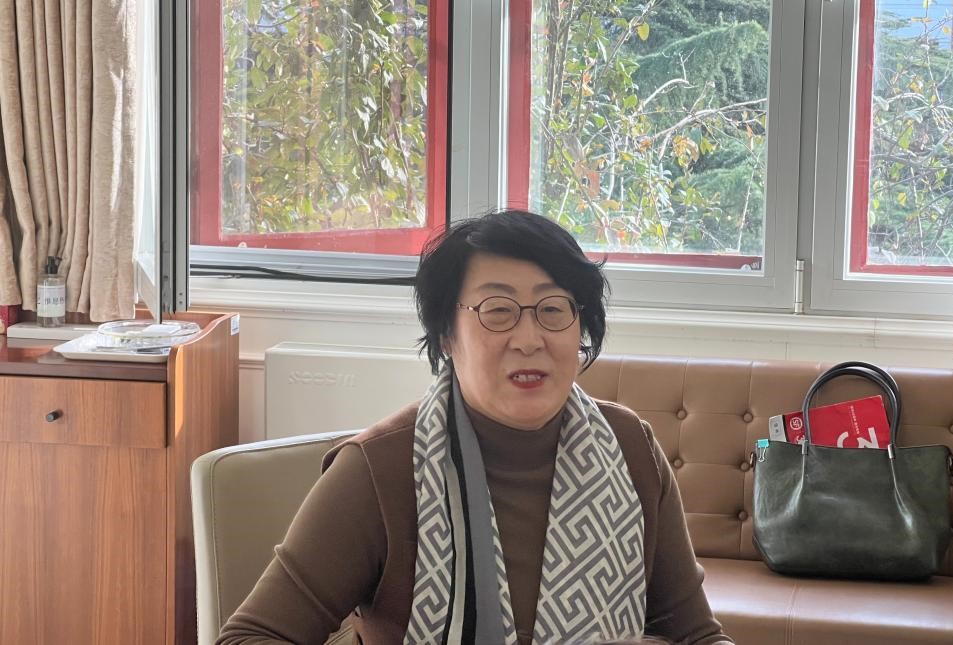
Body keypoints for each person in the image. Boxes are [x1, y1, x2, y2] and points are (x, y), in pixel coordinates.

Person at [217, 210, 733, 645]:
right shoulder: (380, 470)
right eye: (498, 311)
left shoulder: (631, 449)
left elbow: (695, 635)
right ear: (446, 334)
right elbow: (250, 637)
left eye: (553, 309)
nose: (529, 339)